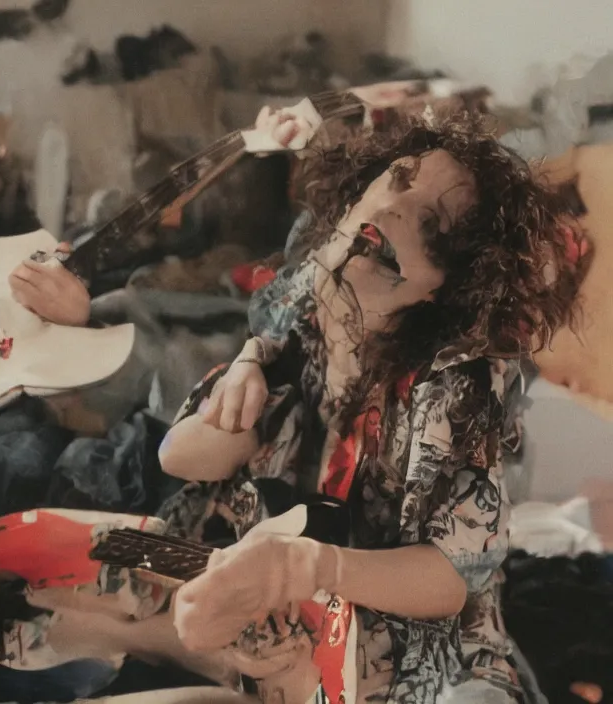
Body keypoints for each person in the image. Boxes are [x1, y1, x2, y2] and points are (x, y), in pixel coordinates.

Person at [157, 107, 591, 702]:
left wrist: (312, 567)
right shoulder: (305, 300)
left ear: (444, 284)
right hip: (296, 647)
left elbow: (451, 577)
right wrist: (247, 369)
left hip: (427, 661)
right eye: (398, 178)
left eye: (432, 222)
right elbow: (180, 457)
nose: (393, 209)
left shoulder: (455, 381)